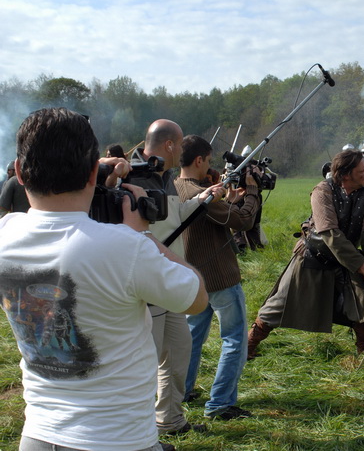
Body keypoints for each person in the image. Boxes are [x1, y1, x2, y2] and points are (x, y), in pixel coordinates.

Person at [0, 107, 208, 451]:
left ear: (20, 172)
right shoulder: (126, 248)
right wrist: (143, 234)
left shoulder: (6, 234)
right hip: (117, 438)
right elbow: (197, 298)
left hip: (38, 434)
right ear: (92, 171)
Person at [129, 120, 224, 436]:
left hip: (168, 281)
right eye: (180, 144)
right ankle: (138, 431)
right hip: (147, 283)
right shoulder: (132, 176)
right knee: (147, 360)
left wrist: (203, 199)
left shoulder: (165, 176)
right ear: (169, 144)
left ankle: (169, 420)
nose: (183, 150)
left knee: (179, 350)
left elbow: (174, 218)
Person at [247, 149, 364, 359]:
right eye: (362, 171)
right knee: (281, 303)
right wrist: (361, 264)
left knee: (363, 300)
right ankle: (247, 345)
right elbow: (329, 232)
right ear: (346, 175)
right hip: (314, 254)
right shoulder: (322, 190)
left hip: (348, 259)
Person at [175, 135, 261, 420]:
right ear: (199, 160)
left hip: (191, 280)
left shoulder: (175, 188)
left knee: (191, 339)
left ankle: (182, 391)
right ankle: (220, 404)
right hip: (220, 278)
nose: (210, 165)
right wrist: (252, 191)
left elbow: (220, 216)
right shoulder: (202, 195)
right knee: (235, 340)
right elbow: (243, 221)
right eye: (208, 160)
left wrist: (228, 199)